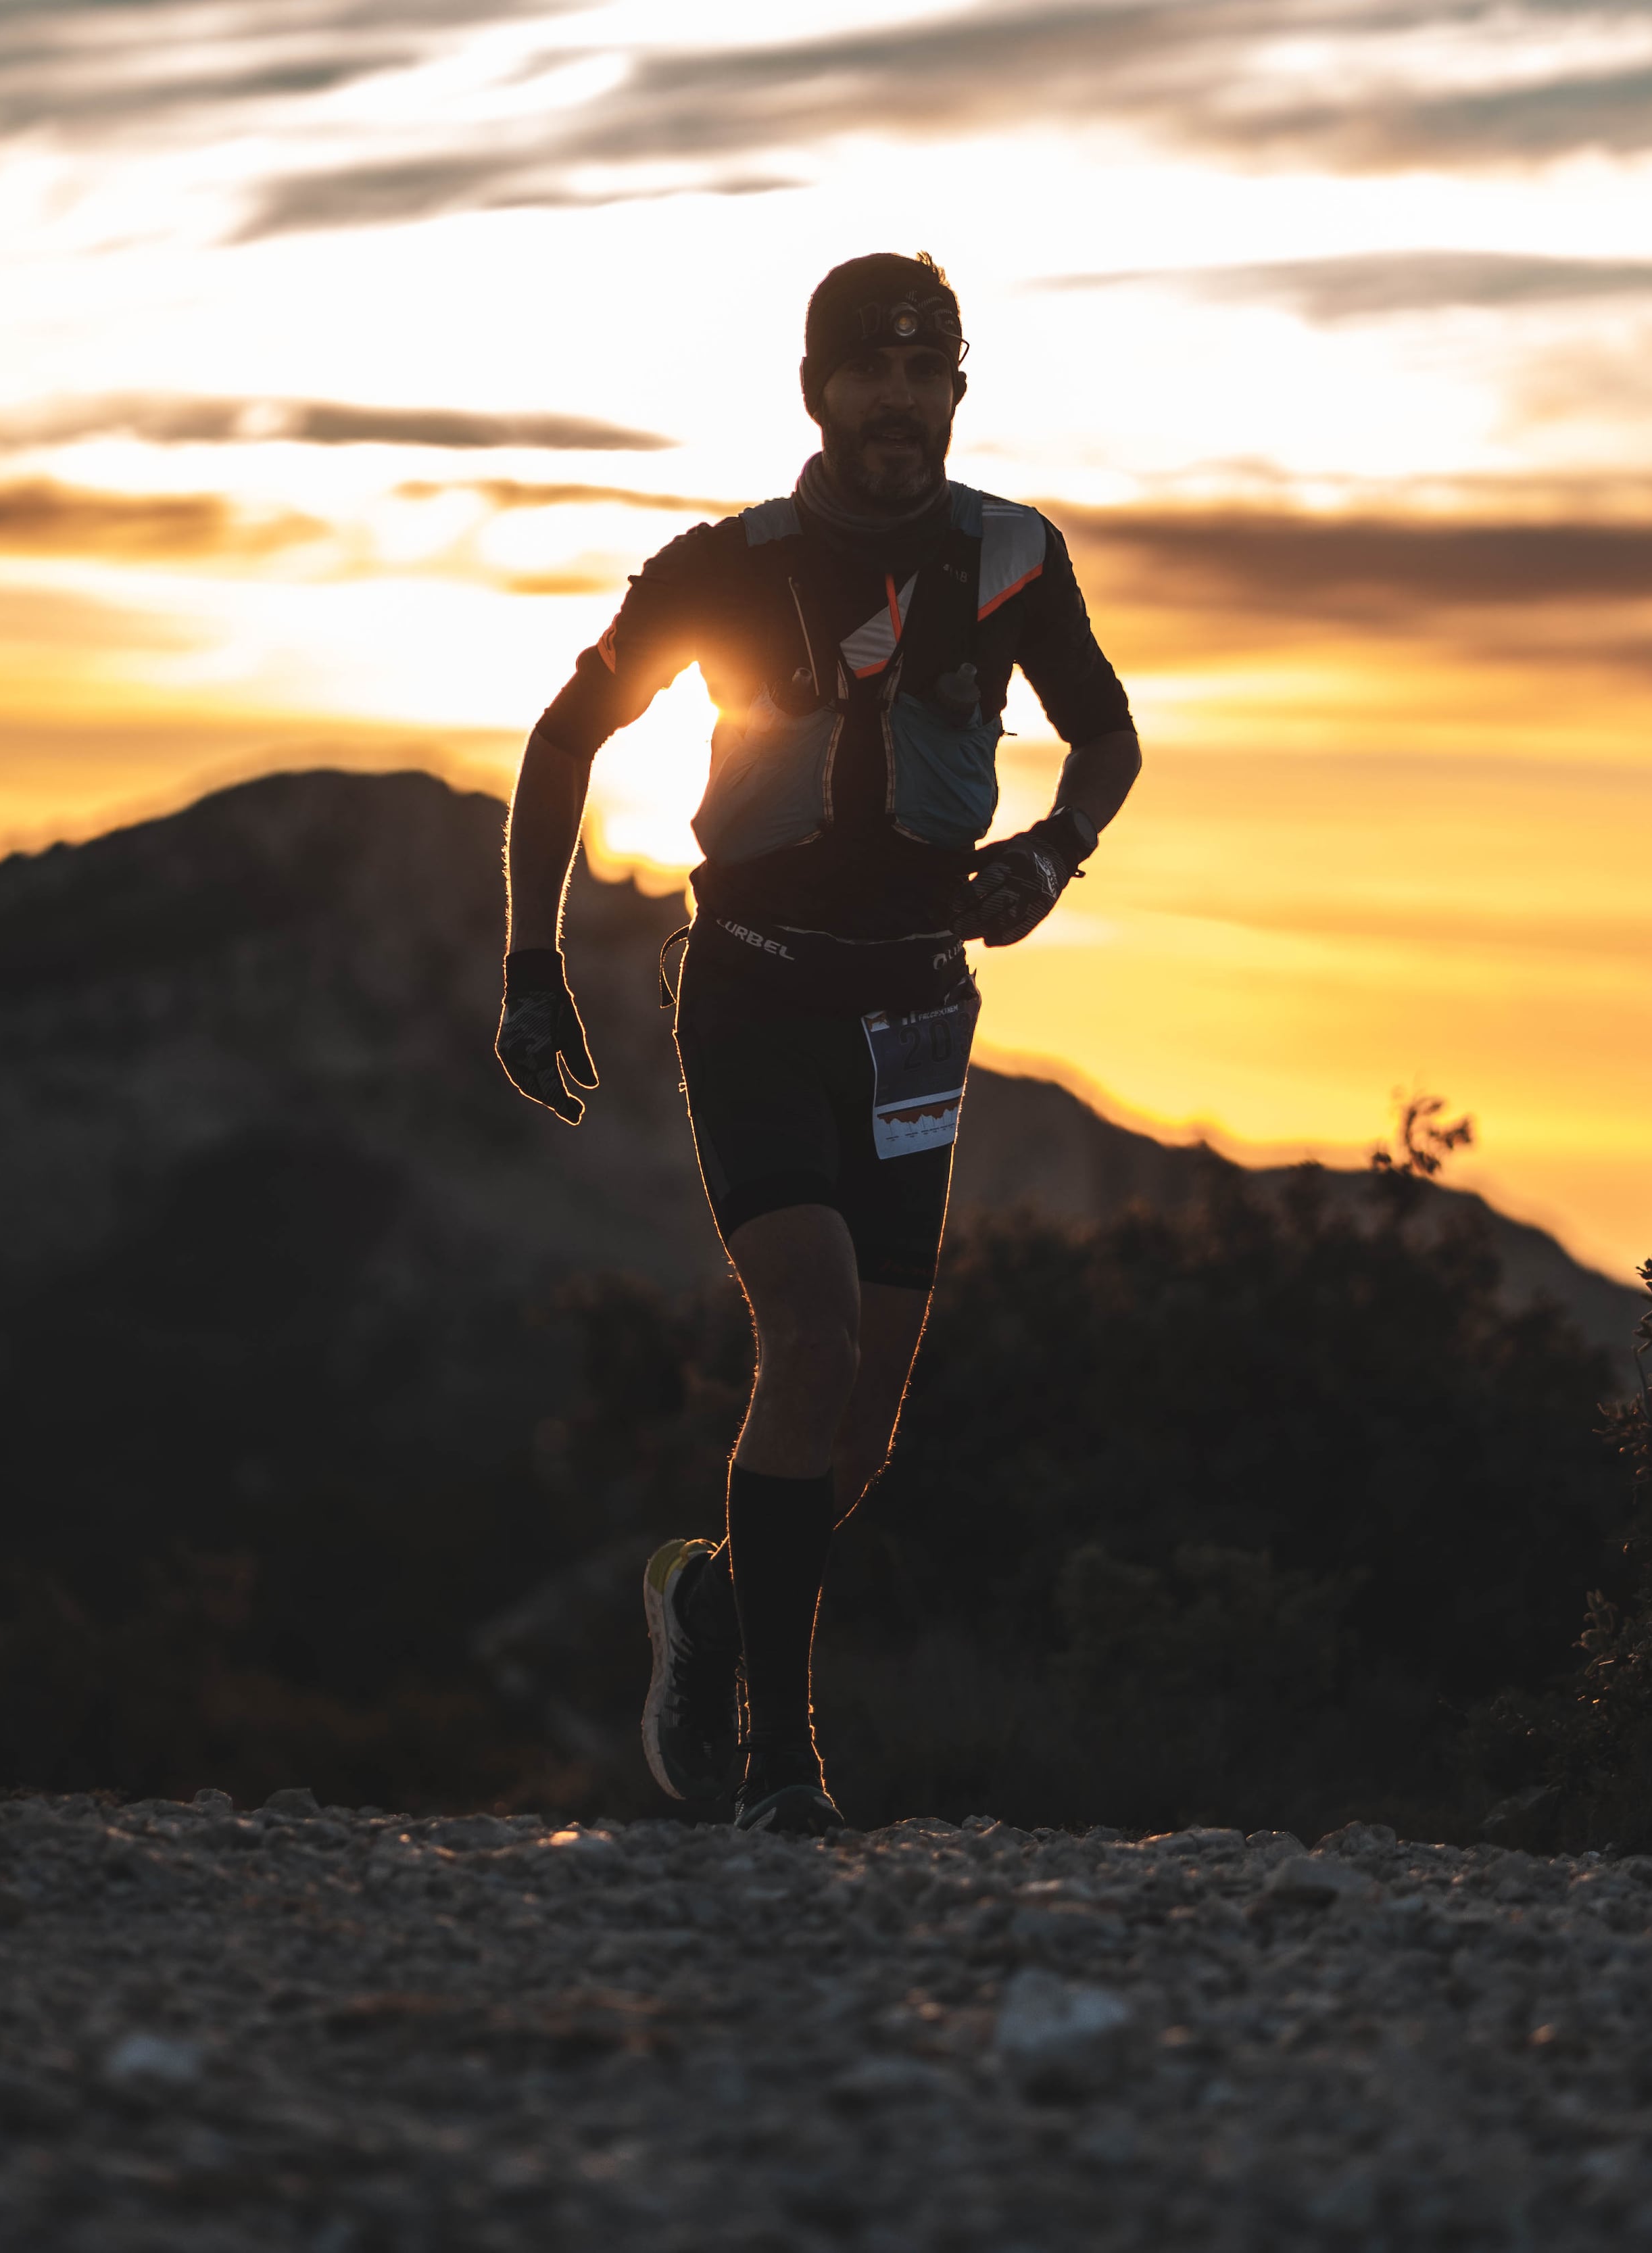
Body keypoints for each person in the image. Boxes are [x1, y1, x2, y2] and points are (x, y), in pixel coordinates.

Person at [496, 251, 1143, 1835]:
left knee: (862, 1425)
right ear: (817, 390)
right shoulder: (725, 566)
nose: (900, 402)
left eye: (929, 376)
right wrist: (530, 960)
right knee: (814, 1333)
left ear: (957, 396)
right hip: (757, 990)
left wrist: (1052, 854)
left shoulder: (1011, 555)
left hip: (920, 1006)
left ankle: (712, 1598)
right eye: (872, 373)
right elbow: (565, 738)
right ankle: (780, 1759)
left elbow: (1109, 732)